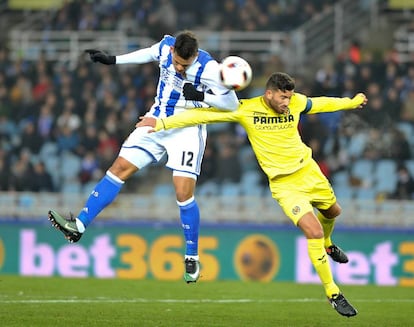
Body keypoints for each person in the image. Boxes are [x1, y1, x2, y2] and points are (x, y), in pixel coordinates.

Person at [138, 72, 368, 317]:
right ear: (268, 94)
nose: (287, 103)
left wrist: (351, 102)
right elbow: (204, 114)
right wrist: (161, 123)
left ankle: (328, 245)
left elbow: (321, 103)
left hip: (309, 172)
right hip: (285, 185)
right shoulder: (245, 110)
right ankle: (333, 293)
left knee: (333, 212)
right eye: (282, 98)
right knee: (313, 230)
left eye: (289, 98)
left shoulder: (296, 103)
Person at [48, 30, 239, 284]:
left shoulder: (210, 68)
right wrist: (113, 60)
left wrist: (202, 96)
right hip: (155, 120)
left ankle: (191, 256)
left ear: (195, 56)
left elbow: (233, 105)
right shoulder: (165, 47)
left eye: (186, 65)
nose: (181, 69)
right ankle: (79, 225)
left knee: (182, 192)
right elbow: (148, 53)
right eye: (178, 64)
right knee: (118, 168)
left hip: (187, 129)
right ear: (172, 52)